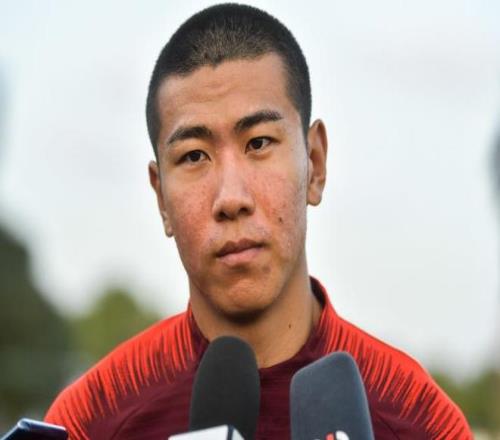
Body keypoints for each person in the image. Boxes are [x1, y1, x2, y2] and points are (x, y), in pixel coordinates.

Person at [45, 4, 472, 439]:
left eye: (259, 143)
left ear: (314, 163)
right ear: (161, 199)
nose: (231, 198)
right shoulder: (88, 422)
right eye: (194, 156)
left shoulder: (421, 421)